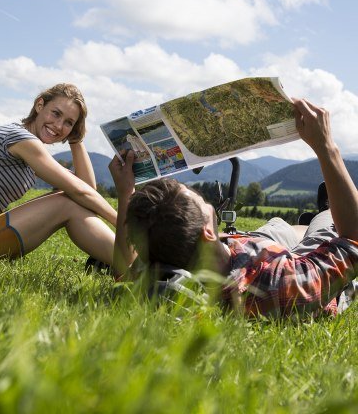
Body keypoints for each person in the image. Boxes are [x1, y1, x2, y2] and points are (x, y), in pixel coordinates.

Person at [109, 98, 358, 317]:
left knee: (280, 226)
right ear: (207, 232)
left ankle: (312, 221)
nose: (207, 204)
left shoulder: (161, 258)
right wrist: (326, 147)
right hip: (287, 261)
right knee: (327, 223)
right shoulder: (282, 281)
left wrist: (125, 193)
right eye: (203, 204)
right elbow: (353, 240)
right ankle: (326, 211)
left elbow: (122, 272)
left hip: (245, 246)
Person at [0, 83, 116, 265]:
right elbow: (82, 192)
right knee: (67, 202)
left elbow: (87, 188)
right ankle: (131, 264)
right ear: (39, 105)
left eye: (69, 122)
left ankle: (118, 261)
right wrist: (125, 224)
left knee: (70, 197)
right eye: (56, 113)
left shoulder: (31, 151)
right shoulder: (19, 138)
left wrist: (76, 139)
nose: (59, 126)